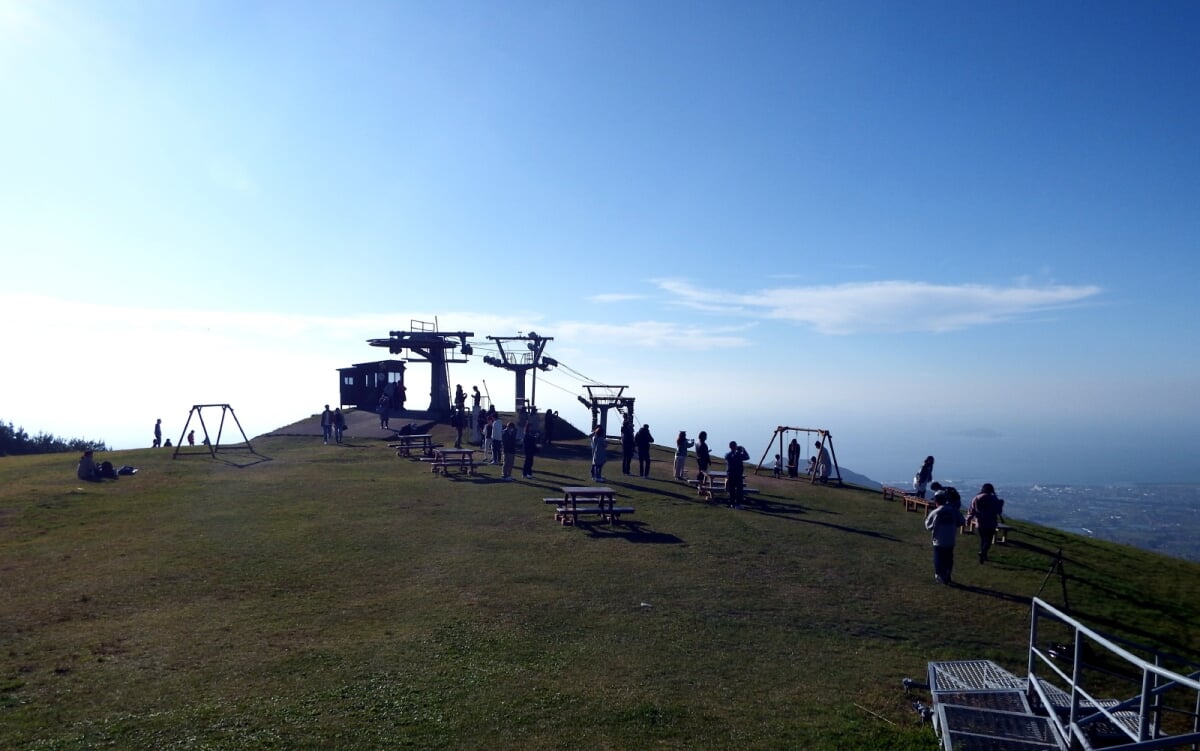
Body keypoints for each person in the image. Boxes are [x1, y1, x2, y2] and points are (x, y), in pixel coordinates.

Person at [925, 490, 966, 584]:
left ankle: (940, 575)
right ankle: (947, 574)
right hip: (950, 539)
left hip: (938, 540)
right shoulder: (953, 510)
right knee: (949, 557)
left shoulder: (935, 512)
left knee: (938, 558)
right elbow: (962, 521)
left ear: (936, 502)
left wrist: (934, 527)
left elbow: (928, 525)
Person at [967, 483, 1005, 563]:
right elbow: (998, 511)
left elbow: (971, 510)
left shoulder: (976, 498)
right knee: (988, 540)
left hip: (980, 522)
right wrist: (1001, 503)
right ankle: (983, 552)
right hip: (991, 522)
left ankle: (983, 556)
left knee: (983, 539)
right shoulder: (993, 498)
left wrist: (968, 520)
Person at [725, 441, 751, 508]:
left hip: (730, 474)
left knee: (732, 490)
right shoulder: (739, 455)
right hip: (738, 475)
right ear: (735, 446)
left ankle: (732, 503)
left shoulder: (727, 455)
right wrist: (743, 450)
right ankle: (738, 504)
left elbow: (727, 457)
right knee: (739, 490)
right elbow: (747, 457)